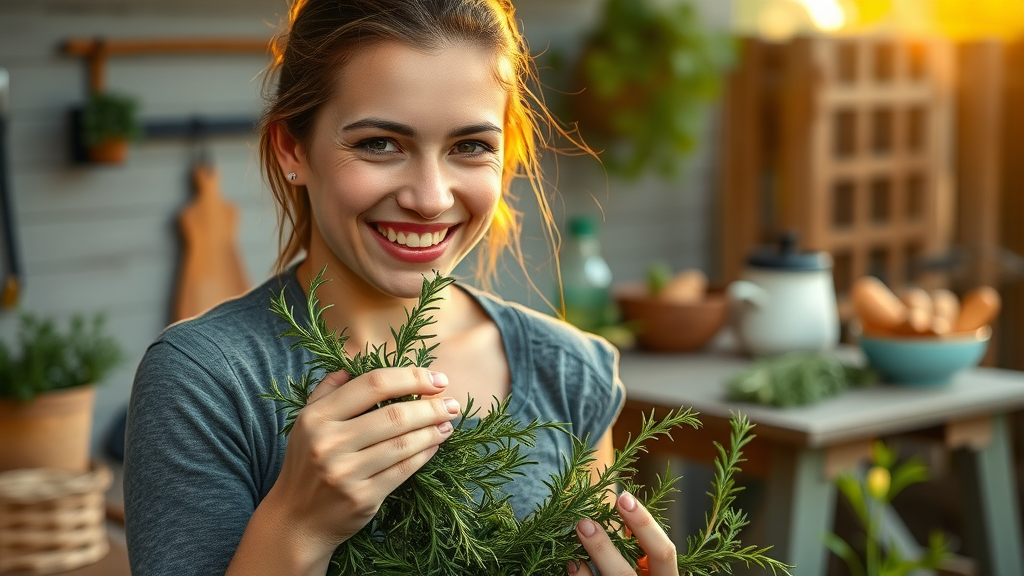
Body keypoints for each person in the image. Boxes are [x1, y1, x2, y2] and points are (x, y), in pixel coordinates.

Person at [123, 1, 678, 575]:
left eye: (469, 146)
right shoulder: (204, 382)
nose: (431, 197)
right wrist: (297, 523)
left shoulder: (570, 372)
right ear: (293, 148)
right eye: (380, 144)